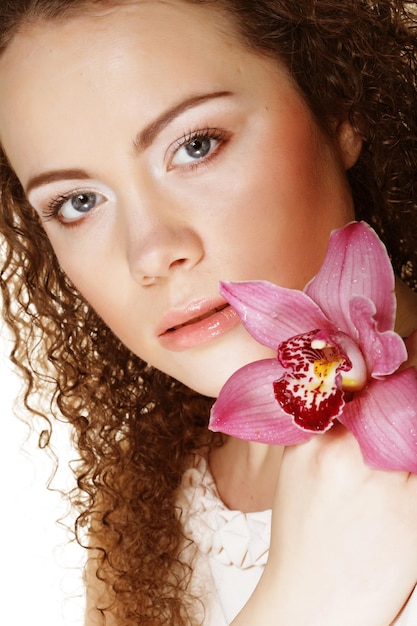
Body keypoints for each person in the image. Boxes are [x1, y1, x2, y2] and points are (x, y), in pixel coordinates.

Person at [0, 0, 417, 624]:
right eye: (78, 201)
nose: (151, 252)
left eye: (195, 145)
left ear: (338, 110)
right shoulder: (148, 504)